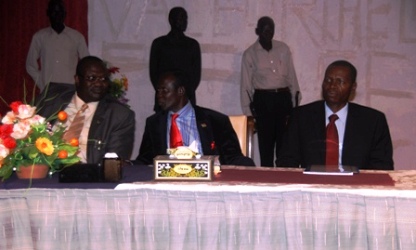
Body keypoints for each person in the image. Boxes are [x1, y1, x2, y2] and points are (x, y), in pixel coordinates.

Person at [276, 60, 394, 170]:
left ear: (353, 87)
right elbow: (286, 160)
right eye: (328, 80)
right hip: (312, 187)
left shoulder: (373, 121)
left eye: (340, 81)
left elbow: (382, 166)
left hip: (354, 187)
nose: (332, 86)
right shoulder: (301, 117)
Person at [136, 71, 255, 166]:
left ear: (181, 91)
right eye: (158, 91)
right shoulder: (154, 123)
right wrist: (127, 164)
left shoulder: (216, 120)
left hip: (207, 182)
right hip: (167, 182)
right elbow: (145, 159)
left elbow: (231, 156)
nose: (159, 96)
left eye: (164, 91)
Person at [36, 56, 135, 164]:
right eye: (92, 78)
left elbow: (114, 164)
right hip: (44, 173)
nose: (98, 84)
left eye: (103, 79)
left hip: (88, 176)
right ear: (77, 80)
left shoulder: (118, 115)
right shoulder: (51, 99)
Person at [241, 16, 301, 167]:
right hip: (263, 101)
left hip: (283, 99)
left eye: (271, 29)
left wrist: (294, 107)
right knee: (266, 146)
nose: (269, 33)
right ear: (257, 31)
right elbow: (246, 86)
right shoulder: (250, 54)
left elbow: (292, 78)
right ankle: (267, 180)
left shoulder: (283, 49)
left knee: (285, 145)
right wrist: (249, 115)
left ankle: (284, 179)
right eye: (265, 29)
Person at [26, 0, 89, 91]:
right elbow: (30, 65)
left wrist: (78, 83)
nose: (57, 15)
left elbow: (86, 64)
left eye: (60, 12)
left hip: (70, 90)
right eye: (54, 12)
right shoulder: (39, 37)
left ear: (65, 14)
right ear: (48, 13)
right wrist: (42, 82)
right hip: (48, 92)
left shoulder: (77, 37)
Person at [149, 6, 201, 112]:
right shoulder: (159, 43)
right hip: (164, 100)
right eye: (180, 18)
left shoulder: (192, 45)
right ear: (171, 20)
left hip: (186, 99)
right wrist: (164, 92)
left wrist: (184, 93)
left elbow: (195, 75)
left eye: (185, 18)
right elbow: (154, 73)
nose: (184, 22)